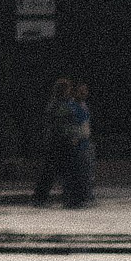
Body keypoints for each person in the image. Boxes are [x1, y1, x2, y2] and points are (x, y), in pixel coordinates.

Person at [30, 77, 74, 207]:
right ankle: (40, 197)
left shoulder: (60, 103)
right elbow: (56, 122)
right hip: (57, 141)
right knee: (52, 171)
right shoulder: (57, 104)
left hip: (58, 141)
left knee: (56, 171)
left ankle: (43, 197)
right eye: (67, 89)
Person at [61, 80, 97, 207]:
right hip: (76, 144)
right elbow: (70, 125)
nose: (84, 93)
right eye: (81, 91)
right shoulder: (71, 106)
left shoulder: (83, 105)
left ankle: (85, 196)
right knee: (76, 172)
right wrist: (73, 138)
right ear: (74, 92)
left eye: (85, 90)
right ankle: (73, 198)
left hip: (85, 143)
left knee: (86, 172)